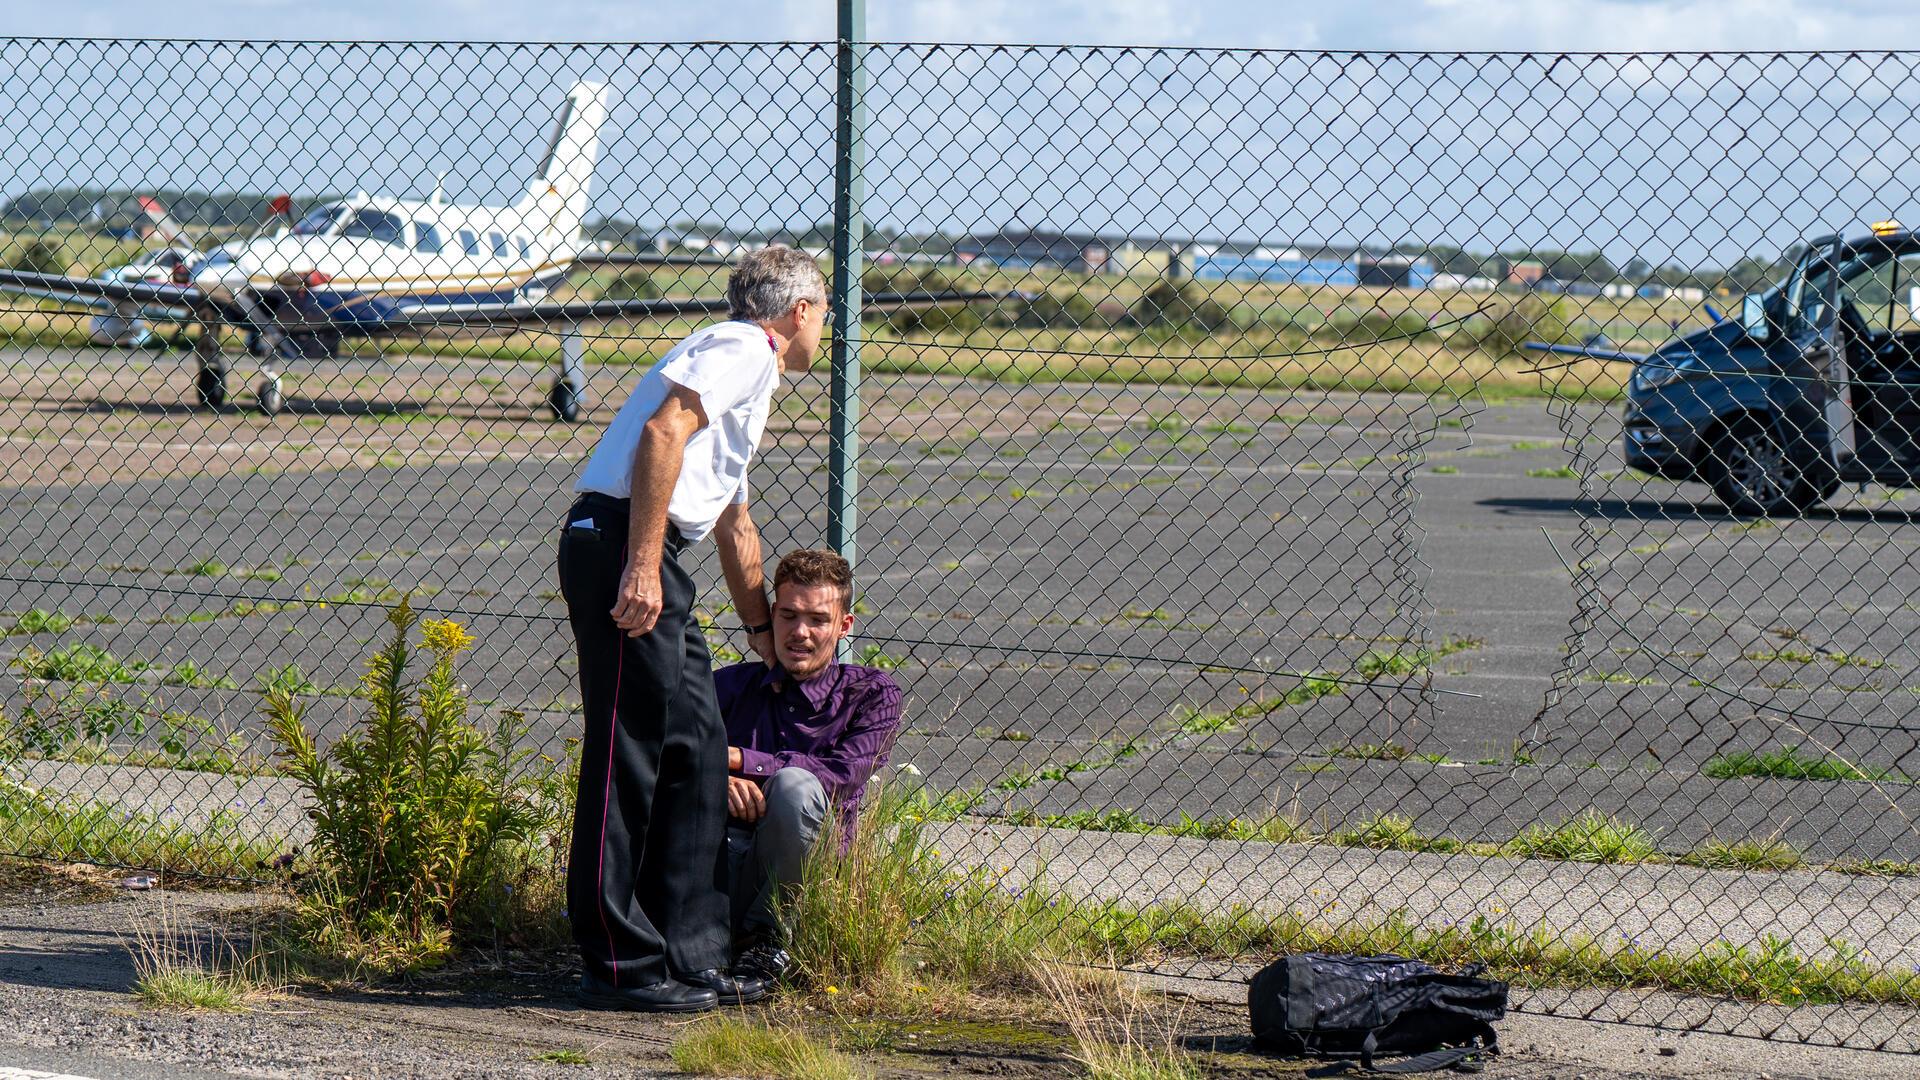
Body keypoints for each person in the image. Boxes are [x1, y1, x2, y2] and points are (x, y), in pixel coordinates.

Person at [557, 246, 830, 1013]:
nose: (826, 333)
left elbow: (734, 523)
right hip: (621, 543)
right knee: (628, 752)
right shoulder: (742, 346)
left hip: (648, 548)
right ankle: (617, 962)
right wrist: (641, 569)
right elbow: (662, 435)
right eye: (826, 315)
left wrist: (762, 635)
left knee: (699, 747)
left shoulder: (751, 374)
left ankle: (688, 952)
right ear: (800, 310)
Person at [712, 548, 902, 980]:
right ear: (771, 616)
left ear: (843, 626)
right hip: (719, 860)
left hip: (804, 877)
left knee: (796, 787)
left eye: (817, 619)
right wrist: (716, 776)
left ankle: (769, 941)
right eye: (789, 616)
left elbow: (842, 776)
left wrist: (744, 760)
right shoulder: (728, 686)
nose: (800, 632)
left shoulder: (871, 694)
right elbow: (667, 750)